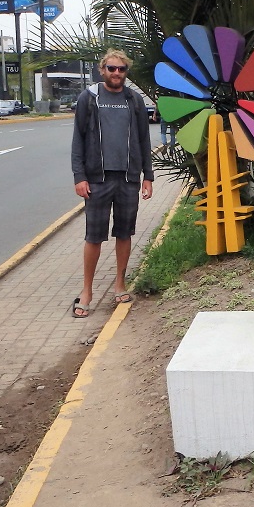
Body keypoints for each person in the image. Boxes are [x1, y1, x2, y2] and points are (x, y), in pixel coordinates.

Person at [70, 49, 154, 318]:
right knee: (94, 236)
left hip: (128, 178)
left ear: (126, 72)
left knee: (124, 233)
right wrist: (79, 176)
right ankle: (87, 291)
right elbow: (78, 140)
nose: (116, 73)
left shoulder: (134, 100)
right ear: (102, 69)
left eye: (121, 69)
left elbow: (143, 139)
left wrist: (148, 176)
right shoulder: (90, 98)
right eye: (111, 68)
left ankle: (120, 283)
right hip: (97, 179)